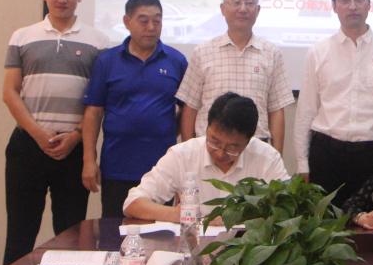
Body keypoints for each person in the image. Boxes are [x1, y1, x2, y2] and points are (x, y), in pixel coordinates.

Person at [1, 0, 110, 265]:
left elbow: (98, 101)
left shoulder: (99, 42)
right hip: (28, 146)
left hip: (73, 150)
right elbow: (9, 92)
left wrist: (75, 137)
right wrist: (39, 134)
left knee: (70, 234)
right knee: (20, 232)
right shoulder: (22, 37)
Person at [293, 0, 373, 209]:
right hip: (325, 153)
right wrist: (302, 163)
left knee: (368, 224)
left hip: (370, 155)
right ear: (334, 6)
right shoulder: (319, 52)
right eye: (345, 0)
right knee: (323, 223)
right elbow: (306, 110)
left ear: (369, 4)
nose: (353, 6)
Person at [80, 0, 188, 218]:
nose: (151, 27)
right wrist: (89, 160)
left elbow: (187, 110)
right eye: (143, 20)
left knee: (161, 230)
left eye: (157, 20)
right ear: (127, 21)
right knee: (115, 230)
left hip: (163, 168)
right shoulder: (107, 61)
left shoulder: (176, 61)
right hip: (117, 165)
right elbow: (93, 112)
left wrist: (169, 132)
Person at [123, 92, 289, 222]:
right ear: (207, 127)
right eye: (214, 142)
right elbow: (132, 203)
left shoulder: (267, 158)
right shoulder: (182, 155)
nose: (220, 153)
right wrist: (177, 214)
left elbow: (288, 210)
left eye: (232, 148)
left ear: (248, 141)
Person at [177, 0, 293, 152]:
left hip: (256, 148)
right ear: (223, 9)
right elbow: (190, 107)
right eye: (236, 2)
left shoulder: (271, 53)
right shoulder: (202, 52)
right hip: (210, 146)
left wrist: (277, 155)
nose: (243, 9)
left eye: (249, 3)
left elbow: (276, 110)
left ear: (258, 10)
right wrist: (189, 152)